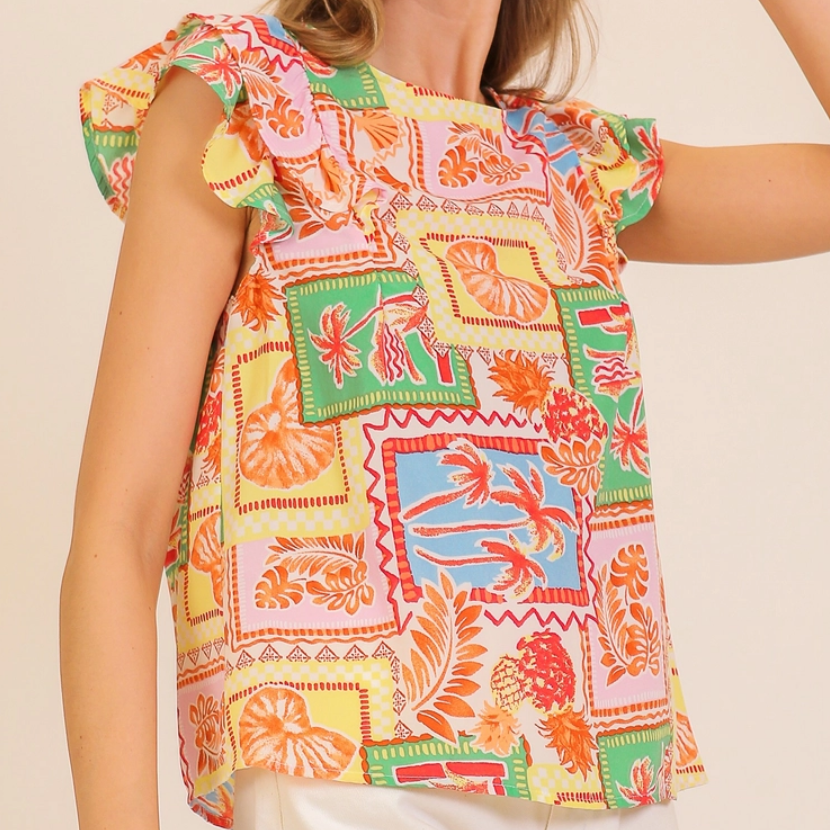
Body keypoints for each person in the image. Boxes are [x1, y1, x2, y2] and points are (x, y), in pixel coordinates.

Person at [60, 1, 830, 829]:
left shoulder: (576, 162)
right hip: (352, 765)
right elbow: (119, 530)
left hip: (604, 766)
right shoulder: (249, 95)